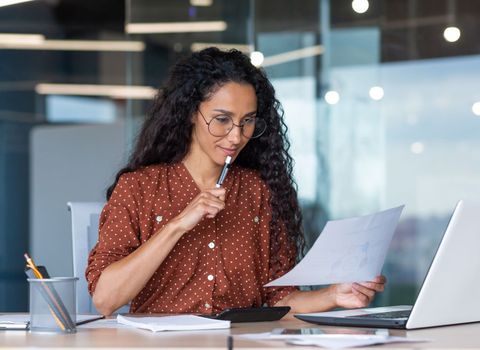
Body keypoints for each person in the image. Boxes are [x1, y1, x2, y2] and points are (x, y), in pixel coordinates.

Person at [86, 47, 386, 317]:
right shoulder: (139, 188)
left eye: (248, 121)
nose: (236, 136)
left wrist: (334, 294)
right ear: (191, 113)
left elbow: (278, 300)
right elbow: (106, 299)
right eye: (222, 119)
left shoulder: (261, 191)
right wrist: (178, 225)